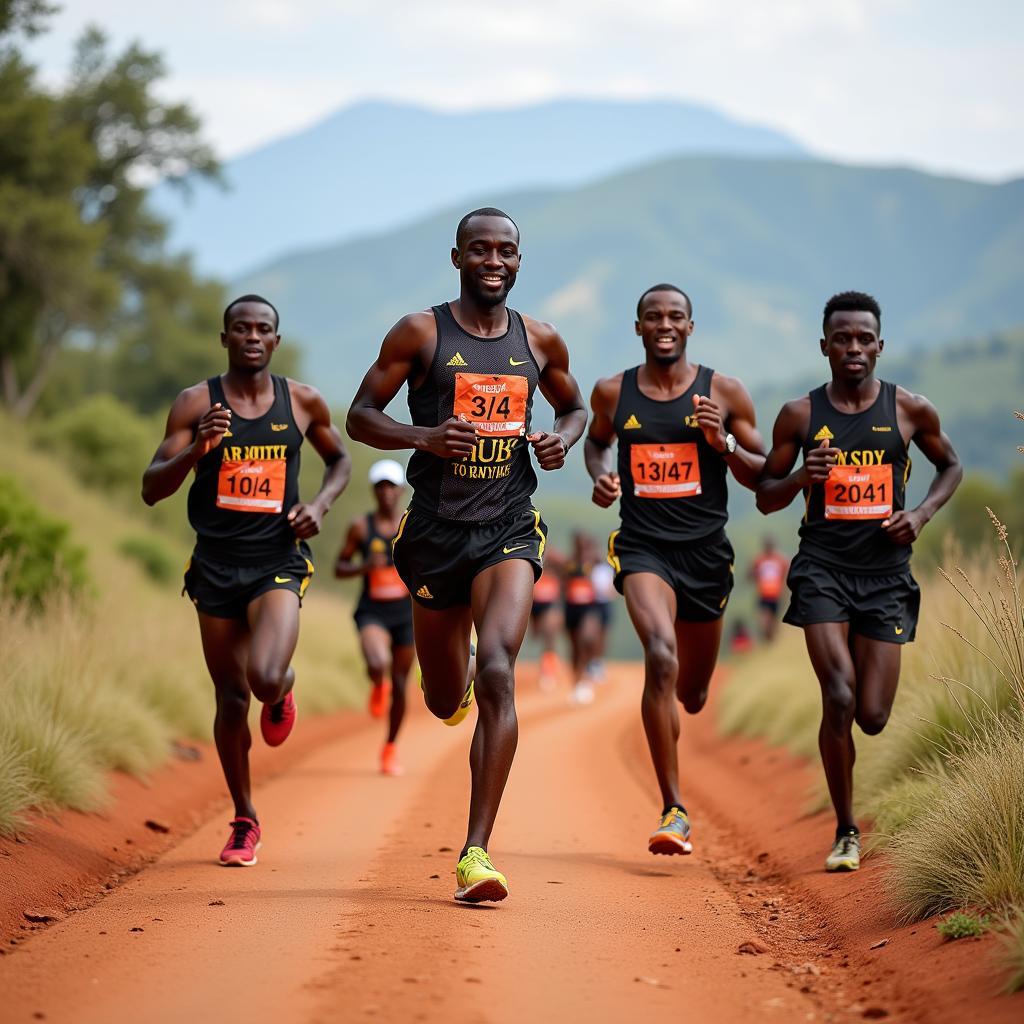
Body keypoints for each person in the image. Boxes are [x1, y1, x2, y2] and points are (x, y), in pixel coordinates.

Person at [346, 207, 587, 902]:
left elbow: (574, 410)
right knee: (447, 694)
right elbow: (361, 414)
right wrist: (421, 438)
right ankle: (443, 690)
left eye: (505, 250)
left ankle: (476, 851)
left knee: (498, 672)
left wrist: (560, 441)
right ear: (457, 258)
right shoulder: (421, 332)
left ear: (519, 261)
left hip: (508, 526)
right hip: (434, 536)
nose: (493, 260)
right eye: (479, 249)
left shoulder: (539, 340)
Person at [756, 291, 961, 872]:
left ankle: (849, 807)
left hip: (886, 576)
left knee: (871, 715)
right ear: (824, 346)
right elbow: (766, 498)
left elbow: (952, 465)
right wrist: (801, 477)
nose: (853, 348)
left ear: (879, 345)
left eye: (863, 339)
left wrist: (918, 514)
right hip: (821, 569)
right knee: (838, 694)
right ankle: (846, 829)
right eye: (841, 339)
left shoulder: (909, 411)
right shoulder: (800, 415)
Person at [142, 295, 350, 867]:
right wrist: (197, 452)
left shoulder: (302, 401)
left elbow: (340, 461)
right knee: (231, 698)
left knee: (261, 677)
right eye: (241, 328)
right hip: (214, 564)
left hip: (277, 558)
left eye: (263, 329)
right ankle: (244, 819)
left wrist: (322, 506)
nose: (252, 337)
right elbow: (152, 487)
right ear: (225, 337)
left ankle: (282, 691)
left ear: (275, 341)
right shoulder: (194, 403)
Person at [586, 283, 765, 856]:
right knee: (660, 657)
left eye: (676, 316)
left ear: (691, 326)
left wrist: (722, 440)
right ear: (637, 327)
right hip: (643, 548)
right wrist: (601, 475)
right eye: (653, 317)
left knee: (690, 693)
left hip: (707, 556)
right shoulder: (613, 392)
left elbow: (765, 475)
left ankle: (690, 694)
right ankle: (674, 808)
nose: (665, 324)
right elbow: (595, 444)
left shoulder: (726, 391)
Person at [335, 459, 414, 776]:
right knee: (378, 662)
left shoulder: (412, 525)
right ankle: (375, 682)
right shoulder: (360, 527)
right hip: (373, 610)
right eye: (380, 486)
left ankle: (390, 748)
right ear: (373, 491)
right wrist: (363, 566)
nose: (386, 492)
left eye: (391, 487)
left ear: (401, 491)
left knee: (401, 683)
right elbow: (339, 568)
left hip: (406, 613)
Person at [562, 532, 604, 705]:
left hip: (588, 609)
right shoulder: (569, 563)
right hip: (571, 609)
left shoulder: (593, 561)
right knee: (574, 647)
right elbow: (562, 581)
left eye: (583, 543)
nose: (580, 546)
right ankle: (577, 683)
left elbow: (604, 573)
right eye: (577, 543)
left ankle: (585, 680)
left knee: (585, 639)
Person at [530, 558, 564, 690]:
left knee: (549, 637)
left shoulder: (557, 564)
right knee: (536, 635)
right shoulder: (531, 560)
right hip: (533, 605)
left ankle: (548, 672)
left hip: (551, 606)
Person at [749, 537, 789, 642]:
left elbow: (785, 576)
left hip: (776, 595)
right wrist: (753, 575)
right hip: (764, 594)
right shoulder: (759, 560)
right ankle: (765, 637)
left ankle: (771, 640)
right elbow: (751, 574)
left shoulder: (780, 560)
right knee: (764, 619)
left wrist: (784, 591)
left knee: (773, 622)